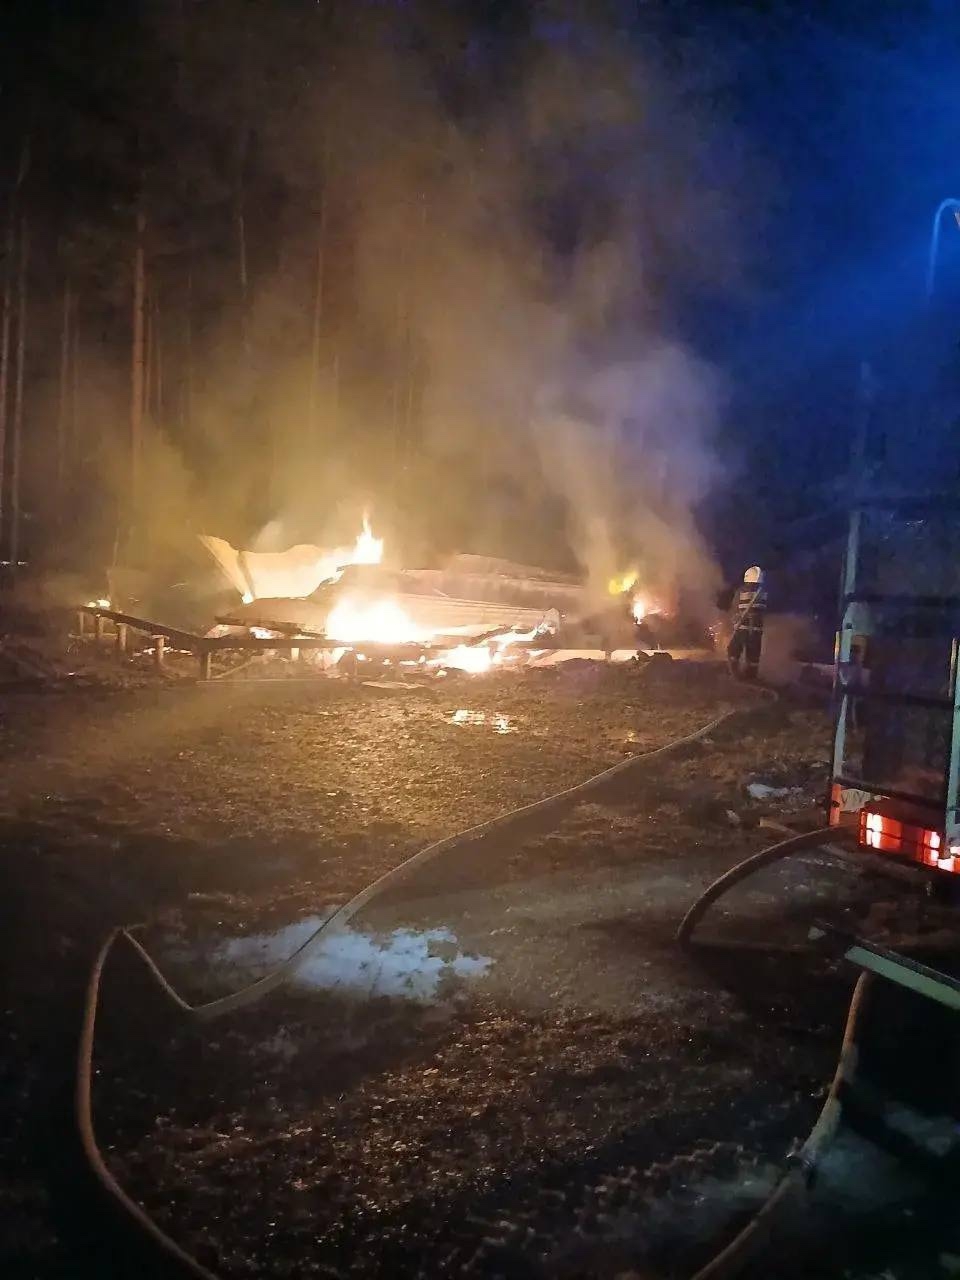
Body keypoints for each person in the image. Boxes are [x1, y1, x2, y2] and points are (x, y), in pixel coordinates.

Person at [726, 565, 766, 680]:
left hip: (742, 628)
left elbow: (735, 608)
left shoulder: (741, 591)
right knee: (753, 655)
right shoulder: (763, 593)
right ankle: (751, 676)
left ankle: (735, 674)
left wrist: (734, 620)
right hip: (756, 631)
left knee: (732, 650)